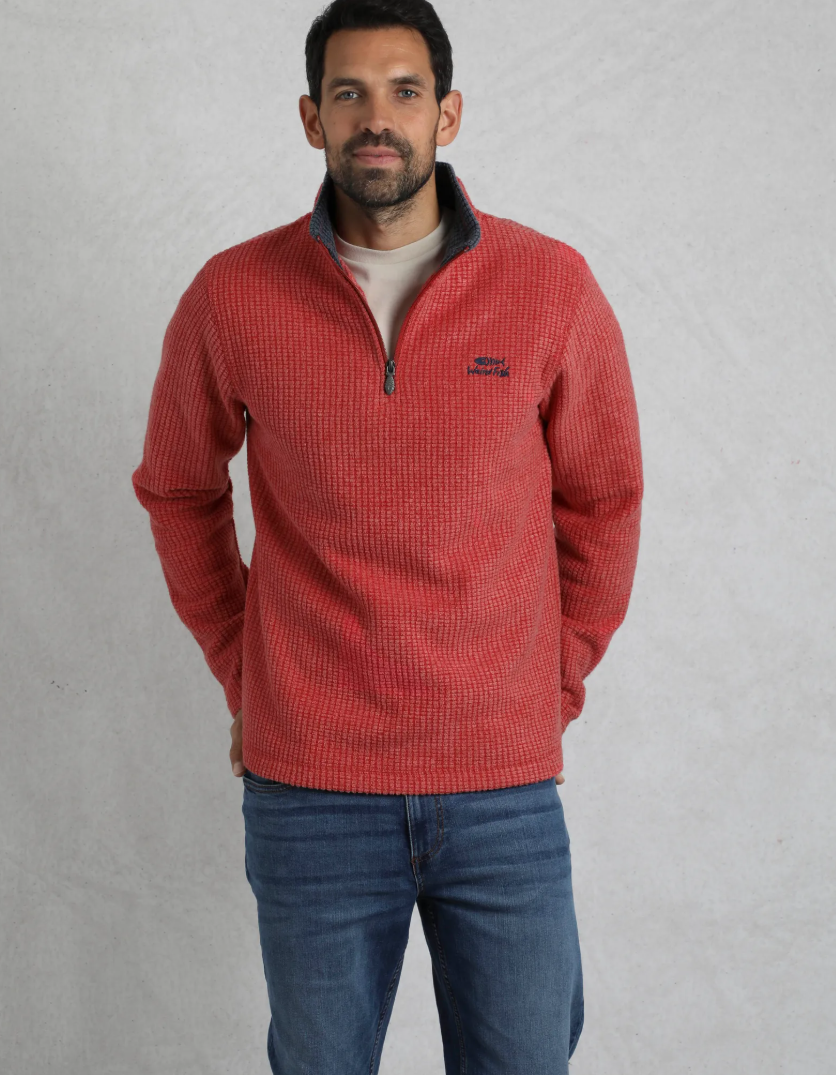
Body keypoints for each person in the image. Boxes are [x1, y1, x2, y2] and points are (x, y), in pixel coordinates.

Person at [131, 1, 644, 1070]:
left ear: (446, 115)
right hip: (309, 790)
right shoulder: (233, 295)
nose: (377, 118)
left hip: (502, 789)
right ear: (310, 117)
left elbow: (604, 497)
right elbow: (177, 487)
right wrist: (244, 665)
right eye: (350, 93)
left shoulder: (549, 288)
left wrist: (551, 678)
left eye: (404, 92)